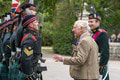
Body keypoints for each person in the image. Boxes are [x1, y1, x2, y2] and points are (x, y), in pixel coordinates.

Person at [20, 15, 42, 80]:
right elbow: (26, 59)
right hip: (30, 73)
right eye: (35, 22)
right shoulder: (29, 38)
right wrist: (30, 74)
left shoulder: (32, 36)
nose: (37, 23)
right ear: (30, 25)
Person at [88, 13, 110, 80]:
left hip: (98, 66)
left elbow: (105, 53)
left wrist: (101, 70)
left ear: (98, 22)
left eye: (92, 22)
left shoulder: (102, 34)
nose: (90, 24)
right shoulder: (92, 34)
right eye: (89, 21)